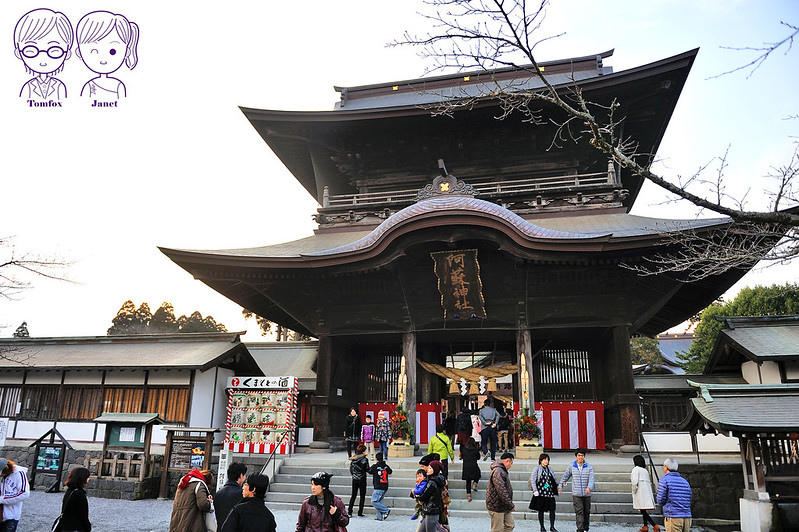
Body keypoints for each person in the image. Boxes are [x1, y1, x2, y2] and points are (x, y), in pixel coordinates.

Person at [75, 11, 139, 99]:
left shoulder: (118, 86)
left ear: (126, 52)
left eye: (113, 51)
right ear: (79, 52)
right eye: (94, 51)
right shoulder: (89, 86)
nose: (103, 60)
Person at [13, 8, 73, 101]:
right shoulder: (27, 87)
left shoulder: (60, 87)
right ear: (18, 53)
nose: (43, 60)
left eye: (54, 51)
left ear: (67, 53)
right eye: (31, 51)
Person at [560, 449, 594, 532]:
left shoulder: (589, 466)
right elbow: (565, 476)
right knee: (579, 512)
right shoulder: (572, 466)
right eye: (579, 455)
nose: (580, 457)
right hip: (576, 493)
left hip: (587, 494)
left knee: (586, 512)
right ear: (576, 456)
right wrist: (561, 485)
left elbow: (591, 479)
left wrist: (589, 487)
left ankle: (586, 528)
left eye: (582, 455)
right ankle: (580, 529)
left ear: (584, 456)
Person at [656, 458, 692, 532]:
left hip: (673, 516)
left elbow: (660, 500)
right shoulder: (685, 481)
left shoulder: (664, 480)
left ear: (665, 467)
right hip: (687, 517)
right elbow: (689, 497)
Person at [485, 452, 515, 532]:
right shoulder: (498, 471)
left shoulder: (501, 470)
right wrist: (510, 504)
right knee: (497, 529)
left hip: (504, 505)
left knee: (510, 525)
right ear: (507, 461)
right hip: (497, 505)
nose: (510, 466)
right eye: (511, 463)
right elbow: (501, 490)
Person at [529, 453, 558, 532]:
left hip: (549, 492)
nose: (546, 461)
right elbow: (533, 480)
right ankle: (542, 527)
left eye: (547, 459)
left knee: (552, 510)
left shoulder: (550, 469)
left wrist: (558, 484)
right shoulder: (537, 469)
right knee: (541, 510)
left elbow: (553, 480)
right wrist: (535, 490)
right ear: (540, 460)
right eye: (544, 459)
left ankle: (552, 526)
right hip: (540, 492)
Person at [56, 466, 91, 532]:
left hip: (65, 526)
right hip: (75, 527)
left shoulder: (70, 491)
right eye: (87, 477)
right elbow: (83, 515)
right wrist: (87, 528)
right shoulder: (79, 494)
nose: (88, 479)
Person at [414, 460, 446, 532]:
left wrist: (416, 495)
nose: (428, 470)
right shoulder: (437, 480)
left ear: (435, 470)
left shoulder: (432, 482)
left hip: (431, 510)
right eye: (428, 468)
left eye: (430, 468)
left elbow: (424, 496)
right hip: (432, 510)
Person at [631, 455, 660, 532]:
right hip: (646, 491)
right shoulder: (645, 470)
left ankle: (654, 525)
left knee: (642, 511)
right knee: (643, 510)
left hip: (640, 492)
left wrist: (634, 491)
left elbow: (634, 481)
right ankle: (645, 526)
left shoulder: (635, 469)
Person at [214, 462, 247, 527]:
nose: (245, 477)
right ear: (241, 475)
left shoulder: (218, 493)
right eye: (244, 475)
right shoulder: (241, 494)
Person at [0, 458, 29, 532]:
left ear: (6, 468)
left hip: (11, 517)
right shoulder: (3, 475)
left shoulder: (19, 473)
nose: (1, 476)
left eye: (1, 474)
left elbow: (24, 493)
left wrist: (2, 499)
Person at [367, 452, 392, 520]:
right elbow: (390, 471)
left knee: (374, 501)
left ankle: (386, 510)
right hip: (385, 486)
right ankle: (379, 517)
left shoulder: (375, 466)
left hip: (378, 486)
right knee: (379, 502)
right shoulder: (386, 466)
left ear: (376, 459)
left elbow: (369, 471)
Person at [347, 444, 369, 517]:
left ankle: (350, 511)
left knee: (353, 495)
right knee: (362, 496)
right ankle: (360, 512)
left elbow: (351, 469)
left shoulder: (353, 459)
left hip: (355, 478)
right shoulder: (364, 459)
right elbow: (367, 469)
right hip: (362, 478)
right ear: (363, 451)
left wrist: (354, 475)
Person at [460, 437, 482, 502]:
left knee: (468, 481)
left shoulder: (464, 449)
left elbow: (462, 457)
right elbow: (478, 457)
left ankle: (469, 495)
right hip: (473, 465)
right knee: (478, 474)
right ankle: (475, 483)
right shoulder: (475, 449)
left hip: (466, 466)